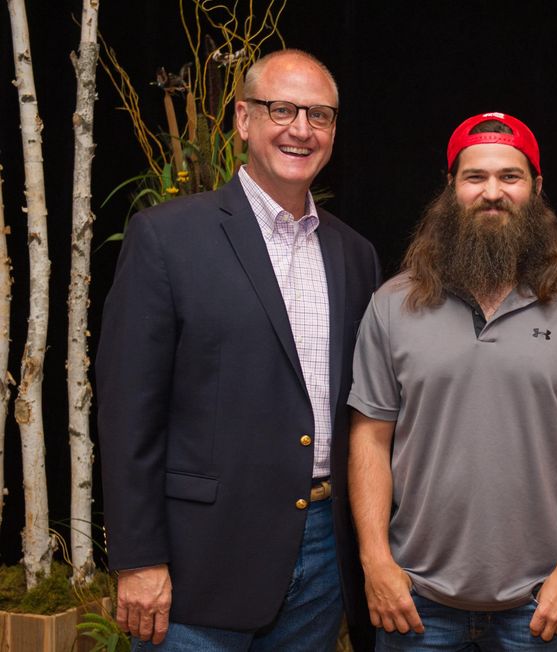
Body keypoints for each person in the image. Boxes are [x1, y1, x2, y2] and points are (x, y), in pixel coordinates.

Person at [96, 49, 380, 650]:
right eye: (283, 109)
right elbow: (129, 413)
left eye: (320, 116)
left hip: (325, 554)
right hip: (201, 557)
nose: (301, 130)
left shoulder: (355, 255)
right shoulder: (167, 237)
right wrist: (138, 558)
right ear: (243, 120)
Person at [346, 111, 557, 651]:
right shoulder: (393, 305)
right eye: (474, 177)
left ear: (537, 188)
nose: (492, 192)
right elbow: (369, 437)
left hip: (539, 607)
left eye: (510, 176)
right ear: (450, 188)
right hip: (414, 602)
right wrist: (376, 562)